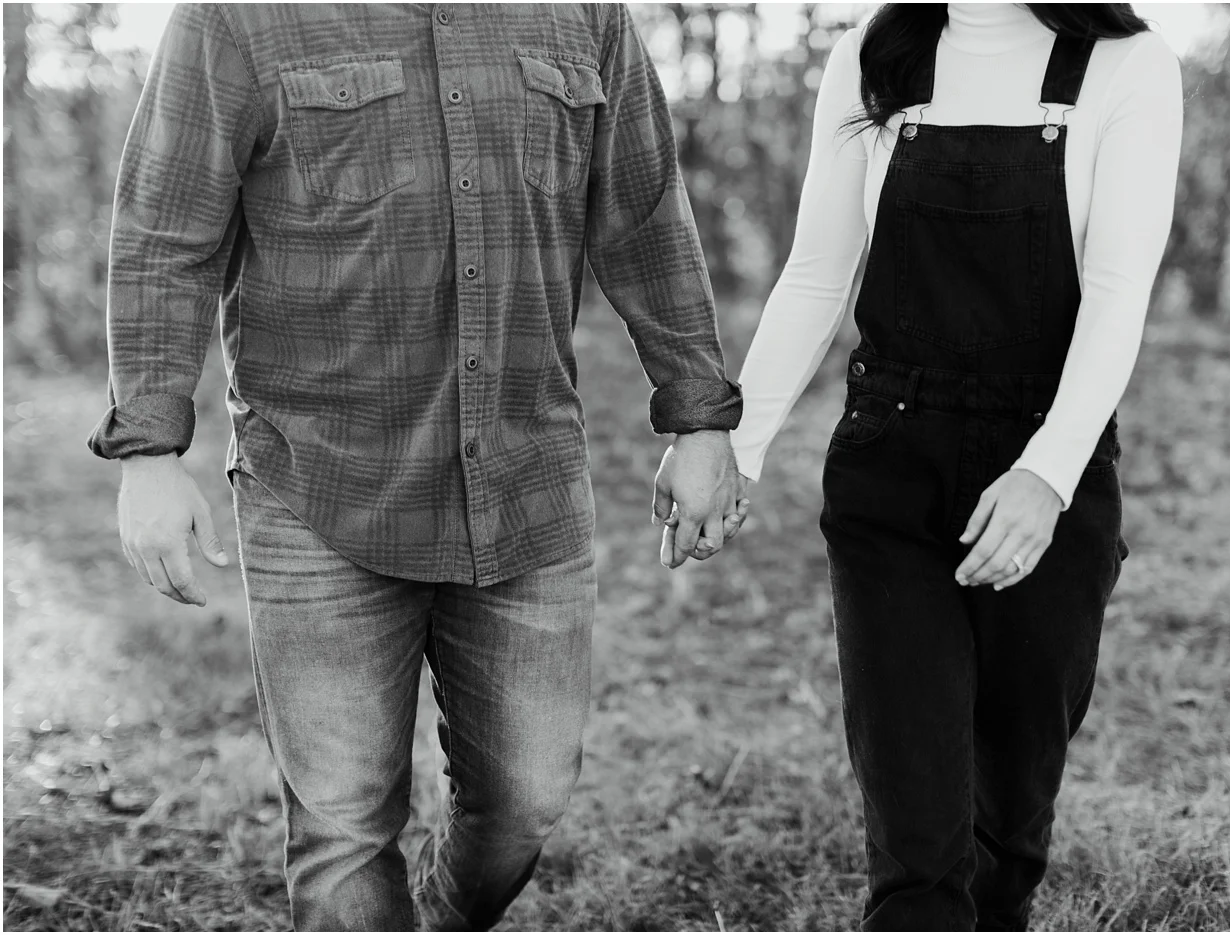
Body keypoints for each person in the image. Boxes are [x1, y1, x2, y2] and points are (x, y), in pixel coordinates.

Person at [88, 4, 747, 930]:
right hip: (319, 486)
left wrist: (701, 420)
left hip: (525, 480)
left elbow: (647, 220)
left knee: (524, 802)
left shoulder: (586, 13)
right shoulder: (236, 15)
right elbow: (165, 233)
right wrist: (151, 451)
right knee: (342, 831)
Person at [729, 3, 1182, 929]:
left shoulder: (1126, 65)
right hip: (890, 464)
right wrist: (736, 446)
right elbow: (817, 272)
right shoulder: (874, 53)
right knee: (918, 857)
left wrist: (1047, 473)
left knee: (1006, 838)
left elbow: (1118, 290)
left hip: (1046, 466)